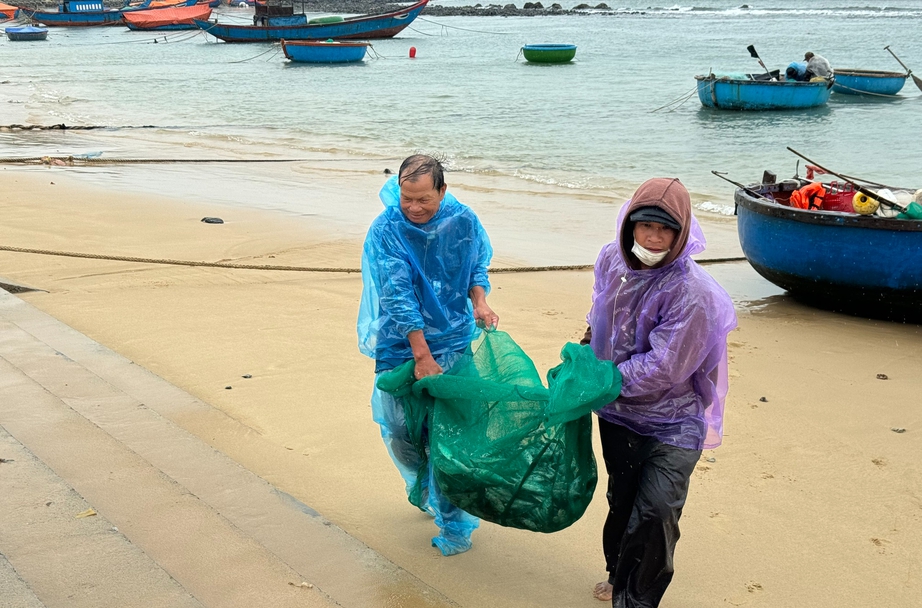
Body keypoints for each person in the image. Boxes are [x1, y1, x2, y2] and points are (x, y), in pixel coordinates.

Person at [581, 178, 737, 607]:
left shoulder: (693, 294)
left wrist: (600, 382)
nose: (653, 237)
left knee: (658, 512)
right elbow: (600, 308)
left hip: (674, 419)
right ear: (629, 223)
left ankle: (636, 601)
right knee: (623, 499)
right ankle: (618, 574)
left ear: (681, 232)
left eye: (665, 229)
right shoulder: (611, 259)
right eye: (644, 225)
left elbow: (664, 367)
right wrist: (586, 344)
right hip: (616, 412)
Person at [357, 154, 499, 556]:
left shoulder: (464, 220)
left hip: (452, 340)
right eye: (407, 199)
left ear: (442, 191)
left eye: (424, 200)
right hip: (399, 345)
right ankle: (423, 483)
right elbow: (398, 295)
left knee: (448, 435)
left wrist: (480, 302)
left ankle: (454, 520)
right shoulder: (387, 228)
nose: (415, 208)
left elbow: (476, 267)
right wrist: (419, 353)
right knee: (402, 430)